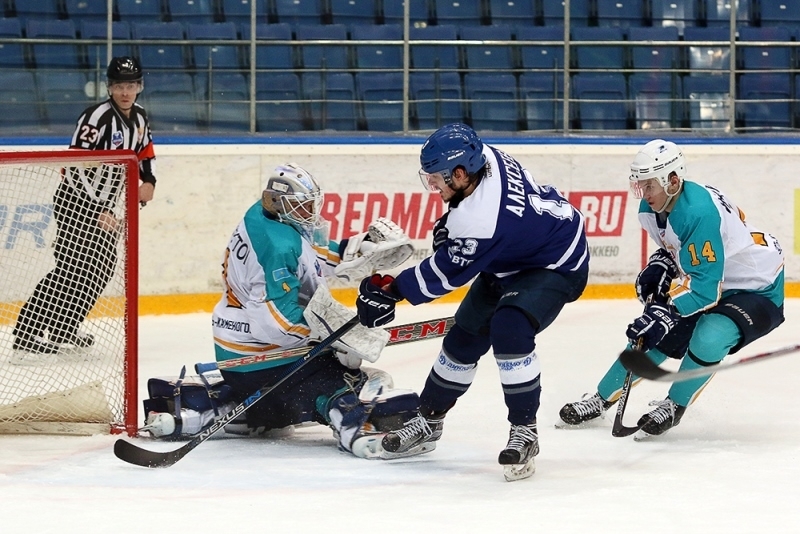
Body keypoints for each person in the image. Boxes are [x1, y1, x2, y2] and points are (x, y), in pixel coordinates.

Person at [355, 123, 590, 481]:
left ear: (461, 173)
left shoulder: (483, 220)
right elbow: (469, 227)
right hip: (514, 253)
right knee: (463, 338)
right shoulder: (485, 158)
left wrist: (391, 290)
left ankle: (525, 431)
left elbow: (444, 276)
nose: (432, 185)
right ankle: (429, 421)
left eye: (437, 178)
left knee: (510, 328)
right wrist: (453, 226)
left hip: (555, 263)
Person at [141, 163, 419, 459]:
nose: (310, 213)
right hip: (268, 359)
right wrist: (332, 339)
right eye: (304, 206)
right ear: (282, 203)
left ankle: (211, 410)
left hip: (236, 358)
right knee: (350, 380)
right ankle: (355, 428)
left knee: (268, 397)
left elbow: (306, 253)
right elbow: (278, 325)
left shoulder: (262, 215)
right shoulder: (277, 247)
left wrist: (358, 251)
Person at [558, 139, 785, 440]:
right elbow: (679, 250)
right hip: (716, 277)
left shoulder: (698, 213)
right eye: (640, 185)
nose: (644, 193)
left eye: (650, 185)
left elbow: (705, 291)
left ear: (673, 180)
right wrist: (661, 264)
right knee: (653, 331)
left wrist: (664, 314)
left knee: (708, 335)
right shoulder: (654, 206)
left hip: (756, 286)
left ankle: (674, 405)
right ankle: (601, 398)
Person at [12, 56, 157, 354]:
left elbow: (145, 153)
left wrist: (149, 181)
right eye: (119, 86)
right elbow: (74, 166)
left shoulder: (140, 117)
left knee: (101, 268)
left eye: (131, 85)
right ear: (109, 87)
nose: (125, 92)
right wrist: (96, 211)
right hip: (75, 203)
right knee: (71, 269)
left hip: (104, 208)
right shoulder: (96, 118)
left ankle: (63, 329)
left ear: (139, 86)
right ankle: (26, 337)